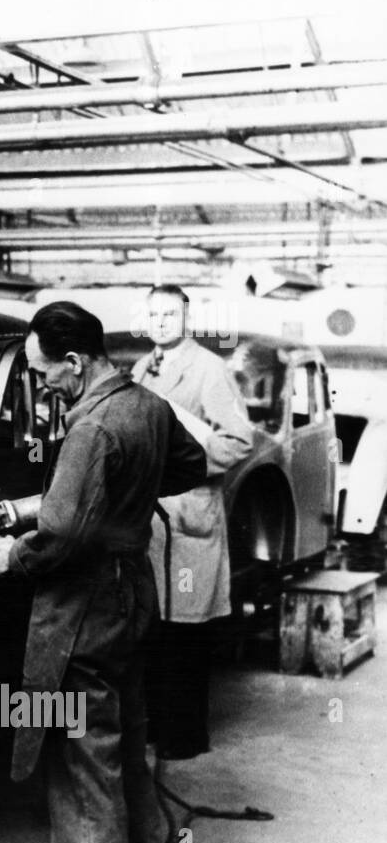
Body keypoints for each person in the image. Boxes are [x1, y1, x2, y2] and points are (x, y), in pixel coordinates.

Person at [0, 301, 206, 843]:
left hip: (84, 610)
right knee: (127, 752)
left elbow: (57, 537)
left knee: (83, 764)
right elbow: (192, 464)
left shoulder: (92, 428)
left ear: (75, 363)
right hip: (134, 596)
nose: (41, 383)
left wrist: (9, 556)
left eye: (44, 372)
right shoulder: (151, 406)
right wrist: (120, 499)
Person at [132, 285, 253, 759]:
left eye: (170, 313)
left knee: (185, 631)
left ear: (187, 317)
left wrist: (186, 461)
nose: (161, 322)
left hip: (188, 514)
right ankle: (153, 727)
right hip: (150, 520)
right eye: (154, 314)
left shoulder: (208, 369)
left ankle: (183, 737)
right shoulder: (143, 369)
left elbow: (238, 442)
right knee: (152, 626)